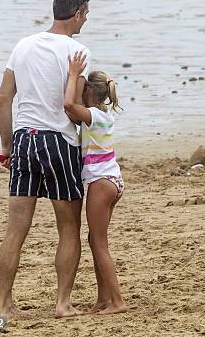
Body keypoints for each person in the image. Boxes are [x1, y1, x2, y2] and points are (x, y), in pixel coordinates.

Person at [0, 0, 91, 318]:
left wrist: (7, 146)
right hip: (58, 143)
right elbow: (73, 108)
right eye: (86, 14)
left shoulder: (22, 46)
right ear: (77, 12)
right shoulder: (77, 53)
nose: (86, 21)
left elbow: (3, 98)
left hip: (25, 139)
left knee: (15, 229)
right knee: (68, 227)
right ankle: (62, 303)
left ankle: (3, 305)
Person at [63, 51, 127, 315]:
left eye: (84, 91)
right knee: (95, 240)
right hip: (111, 180)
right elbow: (76, 111)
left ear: (90, 93)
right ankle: (103, 299)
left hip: (102, 182)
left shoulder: (95, 115)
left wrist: (73, 75)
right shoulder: (103, 115)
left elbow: (69, 106)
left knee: (99, 243)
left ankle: (117, 301)